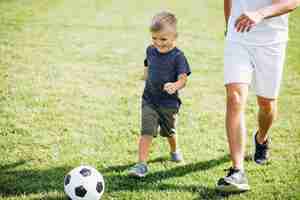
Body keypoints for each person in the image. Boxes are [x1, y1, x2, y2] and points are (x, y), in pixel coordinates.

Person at [217, 0, 300, 192]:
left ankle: (262, 138)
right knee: (235, 99)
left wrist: (260, 13)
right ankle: (237, 170)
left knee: (266, 105)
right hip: (238, 37)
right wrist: (228, 24)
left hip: (272, 42)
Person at [128, 11, 191, 178]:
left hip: (168, 103)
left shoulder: (178, 57)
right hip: (149, 99)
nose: (158, 43)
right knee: (146, 131)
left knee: (169, 131)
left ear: (174, 36)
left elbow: (183, 79)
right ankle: (141, 164)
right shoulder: (150, 50)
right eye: (154, 38)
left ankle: (174, 150)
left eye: (163, 39)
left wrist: (176, 85)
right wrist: (145, 74)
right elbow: (148, 62)